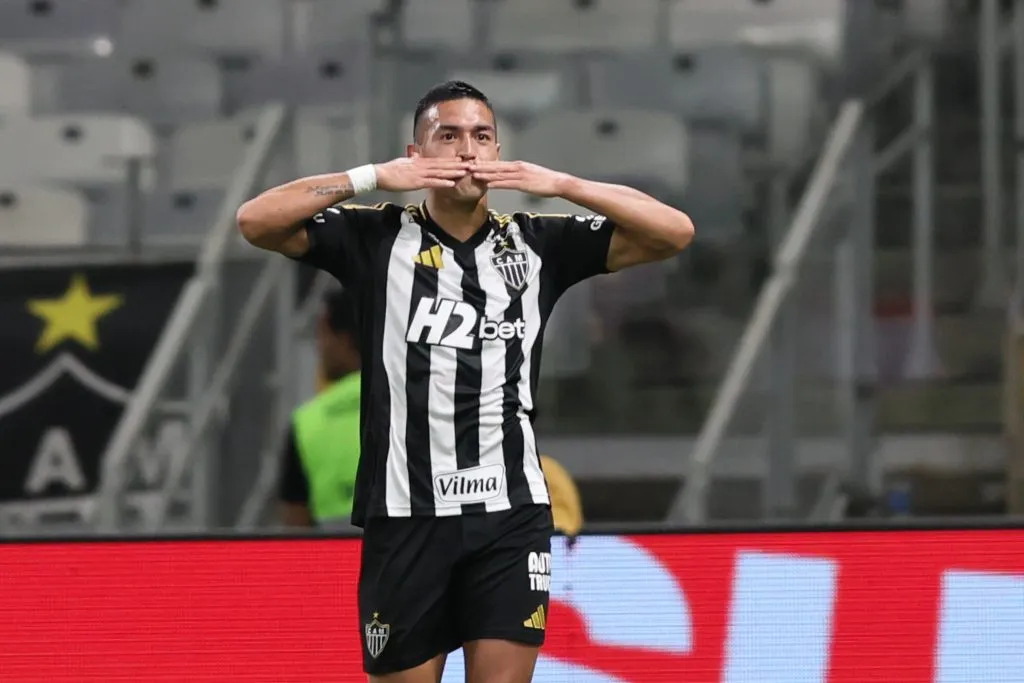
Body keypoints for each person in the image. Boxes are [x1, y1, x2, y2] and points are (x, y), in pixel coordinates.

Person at [236, 80, 694, 683]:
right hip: (405, 515)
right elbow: (254, 220)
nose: (466, 150)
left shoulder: (536, 243)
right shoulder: (373, 238)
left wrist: (564, 186)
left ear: (498, 150)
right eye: (447, 136)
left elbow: (674, 232)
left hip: (510, 514)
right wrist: (374, 175)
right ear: (417, 152)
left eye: (480, 136)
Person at [278, 288, 362, 528]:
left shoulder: (307, 421)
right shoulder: (411, 403)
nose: (320, 348)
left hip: (334, 562)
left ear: (344, 339)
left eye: (322, 335)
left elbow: (295, 527)